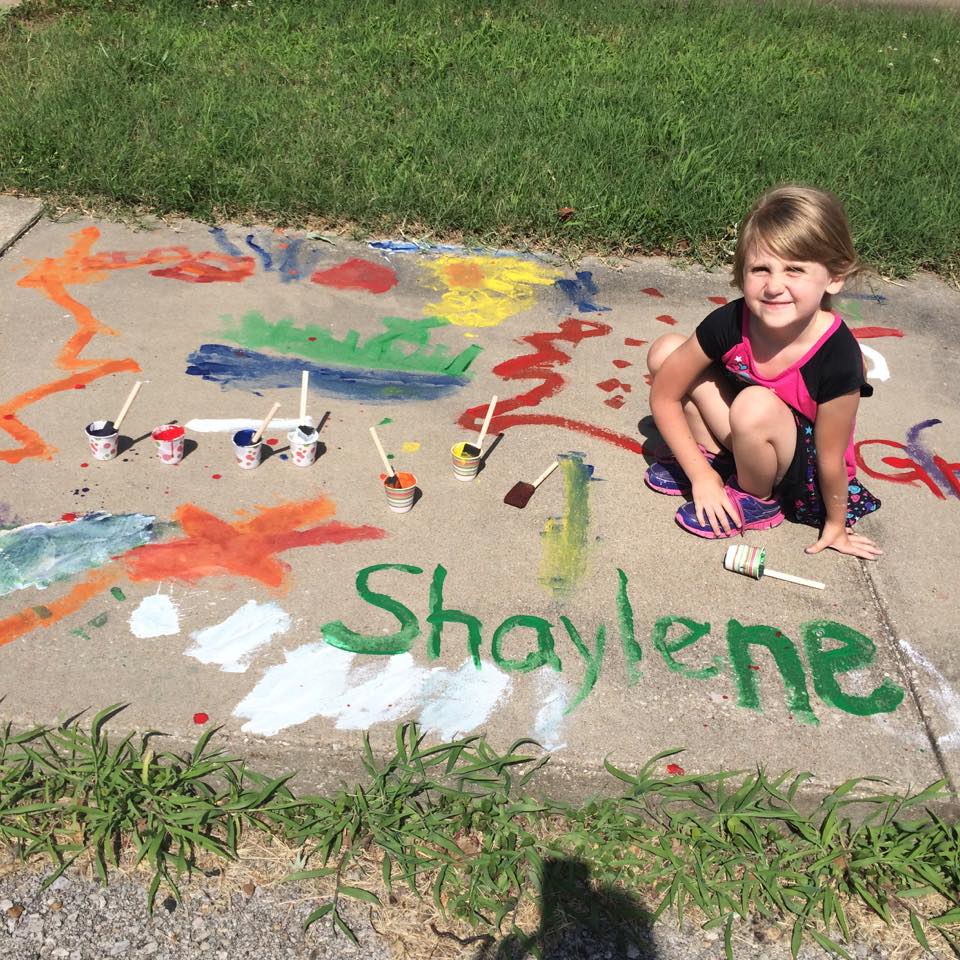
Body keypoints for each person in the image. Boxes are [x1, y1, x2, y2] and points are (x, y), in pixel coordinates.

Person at [645, 184, 882, 560]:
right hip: (750, 429)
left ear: (834, 276)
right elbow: (664, 394)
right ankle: (716, 460)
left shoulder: (838, 356)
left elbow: (831, 457)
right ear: (742, 272)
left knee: (753, 404)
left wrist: (836, 525)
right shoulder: (731, 321)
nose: (774, 286)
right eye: (760, 269)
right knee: (667, 351)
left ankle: (757, 499)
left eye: (794, 269)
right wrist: (701, 476)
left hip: (800, 469)